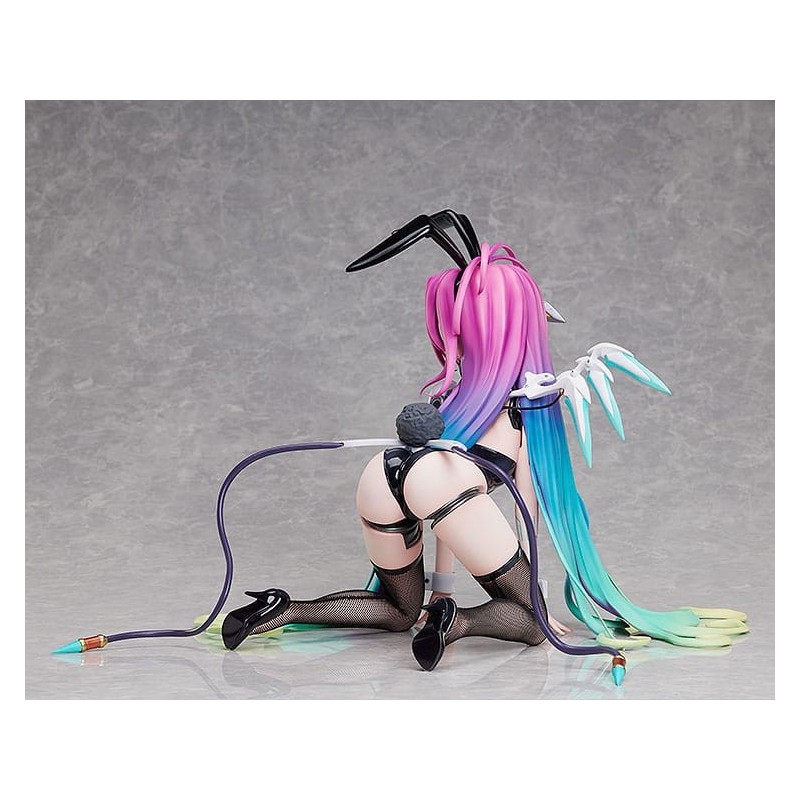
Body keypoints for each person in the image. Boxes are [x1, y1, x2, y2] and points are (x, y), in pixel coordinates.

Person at [222, 215, 747, 668]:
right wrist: (531, 596)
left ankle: (281, 609)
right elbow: (524, 508)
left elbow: (440, 507)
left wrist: (441, 586)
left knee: (399, 611)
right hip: (440, 485)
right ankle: (457, 623)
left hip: (382, 476)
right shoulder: (527, 409)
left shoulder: (455, 396)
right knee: (533, 624)